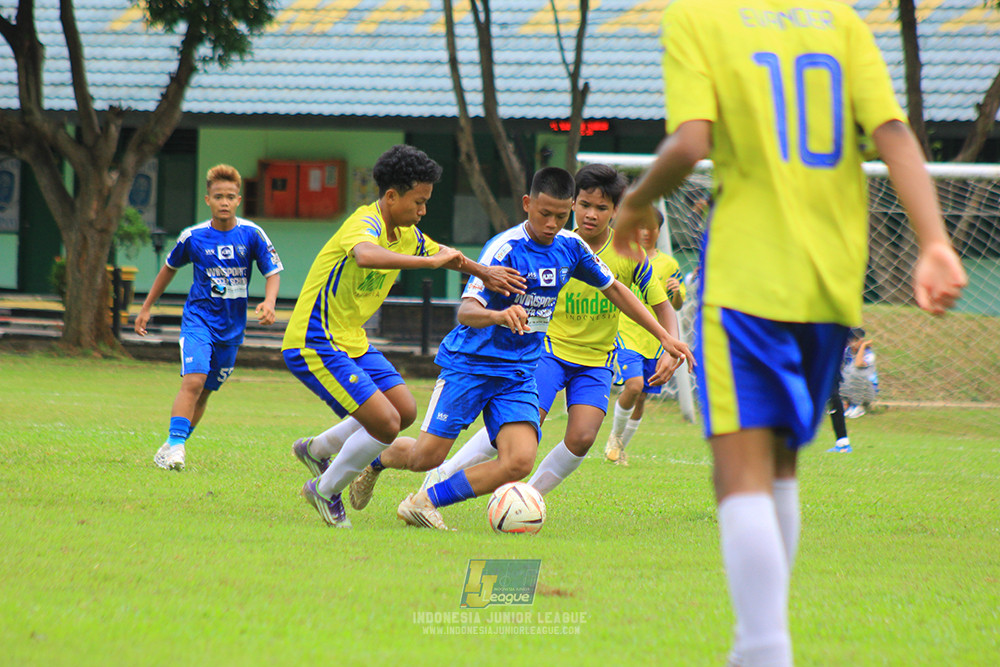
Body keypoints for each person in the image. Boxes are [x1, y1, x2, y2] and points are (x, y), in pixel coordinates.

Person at [611, 2, 968, 664]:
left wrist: (635, 200)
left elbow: (690, 143)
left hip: (746, 280)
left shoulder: (698, 19)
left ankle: (763, 650)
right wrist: (935, 242)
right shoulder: (840, 21)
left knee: (739, 472)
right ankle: (758, 649)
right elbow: (893, 131)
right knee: (779, 468)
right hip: (830, 284)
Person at [346, 167, 693, 530]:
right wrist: (499, 315)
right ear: (527, 204)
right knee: (425, 457)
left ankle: (425, 502)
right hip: (472, 364)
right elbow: (466, 312)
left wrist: (665, 337)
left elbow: (617, 290)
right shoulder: (505, 248)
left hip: (519, 371)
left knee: (519, 461)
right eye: (545, 214)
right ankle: (376, 460)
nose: (553, 224)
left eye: (561, 216)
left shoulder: (571, 247)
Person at [286, 144, 525, 528]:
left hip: (351, 340)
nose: (423, 210)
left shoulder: (408, 234)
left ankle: (317, 450)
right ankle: (325, 490)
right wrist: (426, 262)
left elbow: (449, 256)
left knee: (405, 411)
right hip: (314, 340)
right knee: (384, 423)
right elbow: (366, 255)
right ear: (391, 196)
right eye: (419, 202)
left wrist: (485, 272)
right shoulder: (364, 223)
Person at [136, 164, 283, 471]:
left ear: (238, 200)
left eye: (230, 197)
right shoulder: (193, 237)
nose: (224, 202)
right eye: (218, 197)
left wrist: (269, 302)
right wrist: (147, 306)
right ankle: (176, 447)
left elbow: (272, 272)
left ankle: (171, 445)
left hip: (231, 328)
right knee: (194, 380)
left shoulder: (252, 234)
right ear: (208, 200)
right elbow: (168, 268)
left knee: (204, 392)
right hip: (199, 320)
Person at [605, 211, 686, 465]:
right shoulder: (625, 257)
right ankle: (614, 438)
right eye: (641, 227)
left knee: (641, 397)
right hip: (626, 333)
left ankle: (619, 448)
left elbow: (677, 305)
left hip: (654, 340)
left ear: (659, 231)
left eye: (652, 228)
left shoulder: (669, 264)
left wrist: (677, 293)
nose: (646, 232)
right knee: (634, 386)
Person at [841, 327, 878, 418]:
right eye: (851, 340)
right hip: (850, 389)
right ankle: (844, 404)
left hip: (867, 390)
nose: (853, 343)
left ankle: (858, 406)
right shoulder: (847, 352)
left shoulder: (869, 354)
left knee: (855, 372)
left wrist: (862, 346)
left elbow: (858, 364)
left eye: (856, 340)